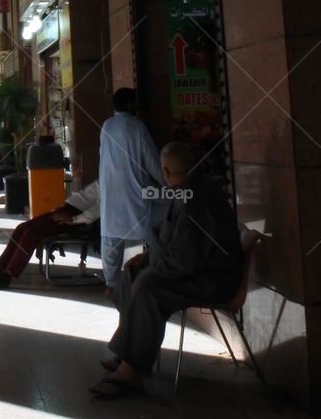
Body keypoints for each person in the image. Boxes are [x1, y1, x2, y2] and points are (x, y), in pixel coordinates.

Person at [90, 141, 244, 398]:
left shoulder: (196, 200)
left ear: (166, 172)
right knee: (132, 275)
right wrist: (148, 258)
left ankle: (131, 373)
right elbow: (174, 243)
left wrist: (151, 271)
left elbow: (183, 260)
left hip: (212, 280)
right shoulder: (188, 190)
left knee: (149, 289)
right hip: (195, 271)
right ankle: (129, 354)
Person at [0, 180, 100, 290]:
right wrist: (77, 177)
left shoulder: (113, 180)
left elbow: (99, 208)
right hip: (67, 209)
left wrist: (75, 220)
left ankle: (6, 276)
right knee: (21, 228)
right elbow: (83, 197)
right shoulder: (106, 174)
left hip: (76, 216)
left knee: (31, 234)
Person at [99, 88, 168, 295]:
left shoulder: (106, 126)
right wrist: (169, 184)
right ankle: (160, 268)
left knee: (111, 237)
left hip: (110, 192)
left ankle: (111, 284)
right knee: (163, 209)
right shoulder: (137, 128)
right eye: (135, 102)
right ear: (130, 105)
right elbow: (152, 162)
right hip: (135, 192)